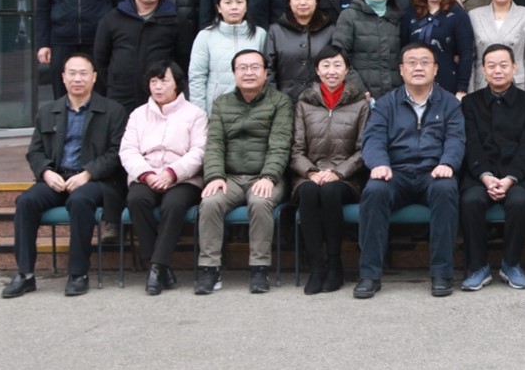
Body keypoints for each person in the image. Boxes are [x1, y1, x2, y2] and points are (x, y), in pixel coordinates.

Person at [3, 54, 128, 299]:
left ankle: (78, 274)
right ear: (63, 77)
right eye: (72, 73)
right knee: (26, 201)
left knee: (80, 200)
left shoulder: (113, 111)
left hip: (96, 181)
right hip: (57, 178)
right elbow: (35, 151)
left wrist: (88, 173)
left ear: (94, 77)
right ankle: (25, 274)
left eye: (83, 73)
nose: (77, 79)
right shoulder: (48, 111)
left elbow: (117, 153)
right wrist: (46, 172)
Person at [353, 43, 466, 299]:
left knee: (446, 190)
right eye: (412, 62)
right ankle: (369, 275)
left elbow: (456, 139)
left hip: (433, 172)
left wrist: (447, 163)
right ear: (401, 69)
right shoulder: (386, 104)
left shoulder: (449, 103)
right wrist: (379, 163)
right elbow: (373, 139)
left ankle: (442, 274)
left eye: (425, 62)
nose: (418, 67)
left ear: (435, 69)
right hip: (396, 172)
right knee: (374, 191)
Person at [195, 49, 292, 295]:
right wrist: (214, 175)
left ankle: (259, 268)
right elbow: (214, 144)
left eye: (255, 67)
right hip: (230, 177)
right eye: (242, 68)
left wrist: (269, 176)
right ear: (234, 73)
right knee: (210, 202)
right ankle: (210, 269)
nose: (249, 73)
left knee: (260, 202)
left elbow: (280, 144)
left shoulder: (280, 101)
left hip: (266, 175)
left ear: (266, 72)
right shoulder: (222, 103)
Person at [459, 44, 525, 291]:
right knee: (471, 201)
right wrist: (486, 176)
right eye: (492, 66)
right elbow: (471, 144)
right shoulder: (470, 103)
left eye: (503, 65)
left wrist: (510, 178)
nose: (498, 70)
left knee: (519, 201)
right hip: (480, 174)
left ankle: (511, 264)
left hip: (519, 175)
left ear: (514, 67)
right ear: (483, 70)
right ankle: (478, 267)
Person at [120, 60, 206, 296]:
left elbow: (199, 152)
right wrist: (147, 174)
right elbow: (128, 150)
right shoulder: (138, 115)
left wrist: (171, 173)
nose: (158, 87)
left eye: (164, 81)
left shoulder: (195, 114)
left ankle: (156, 267)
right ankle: (159, 267)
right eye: (153, 81)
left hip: (183, 178)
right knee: (137, 200)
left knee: (174, 204)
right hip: (146, 175)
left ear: (177, 84)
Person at [290, 46, 369, 295]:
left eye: (337, 65)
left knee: (331, 191)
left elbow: (364, 149)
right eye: (325, 65)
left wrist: (338, 172)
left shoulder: (360, 103)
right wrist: (311, 172)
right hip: (310, 173)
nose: (331, 71)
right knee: (309, 192)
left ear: (347, 70)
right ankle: (317, 266)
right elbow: (296, 149)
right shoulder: (305, 103)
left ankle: (335, 263)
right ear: (317, 70)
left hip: (347, 176)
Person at [94, 0, 187, 113]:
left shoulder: (176, 20)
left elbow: (183, 60)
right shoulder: (112, 19)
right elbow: (100, 60)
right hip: (120, 97)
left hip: (161, 99)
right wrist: (114, 82)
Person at [400, 0, 475, 99]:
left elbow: (466, 54)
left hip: (447, 85)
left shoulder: (458, 15)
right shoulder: (410, 13)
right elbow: (402, 49)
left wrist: (462, 89)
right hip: (413, 85)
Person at [188, 0, 270, 113]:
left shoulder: (260, 35)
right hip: (217, 110)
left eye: (239, 2)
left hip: (255, 110)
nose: (234, 7)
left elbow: (268, 73)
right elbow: (197, 77)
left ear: (246, 6)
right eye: (228, 2)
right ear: (219, 8)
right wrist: (199, 114)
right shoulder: (205, 36)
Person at [331, 0, 402, 100]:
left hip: (396, 96)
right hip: (361, 97)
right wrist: (359, 89)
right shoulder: (349, 15)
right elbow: (339, 57)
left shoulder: (398, 16)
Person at [268, 0, 337, 102]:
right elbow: (269, 70)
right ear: (289, 1)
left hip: (321, 101)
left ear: (317, 1)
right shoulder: (275, 31)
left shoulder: (330, 31)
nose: (303, 2)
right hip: (284, 101)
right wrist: (274, 101)